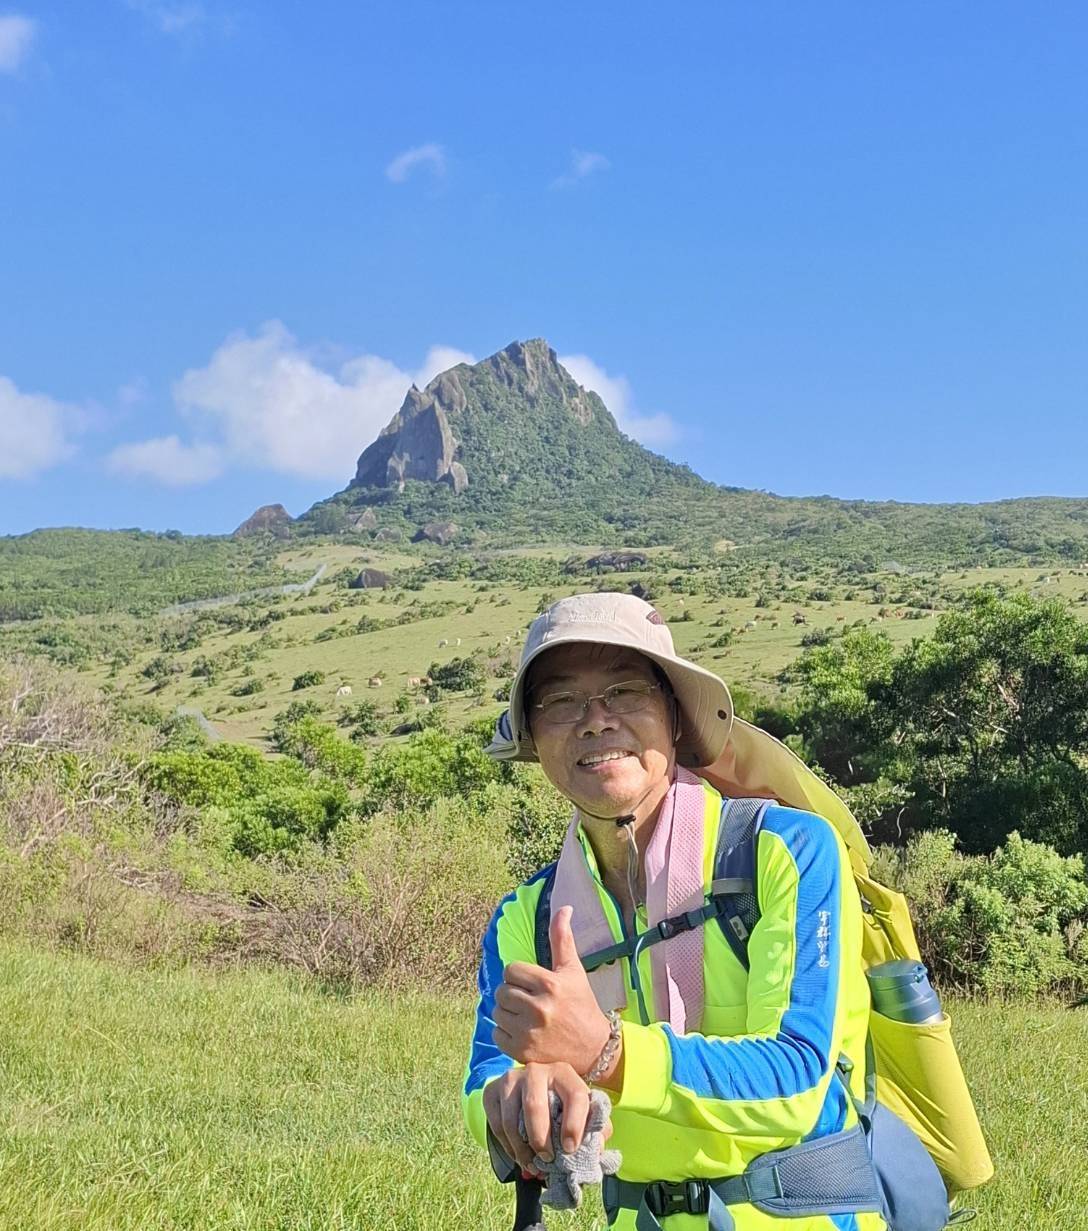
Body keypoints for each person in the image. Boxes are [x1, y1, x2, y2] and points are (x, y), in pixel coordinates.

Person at [461, 592, 887, 1231]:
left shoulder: (786, 851)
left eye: (626, 691)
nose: (595, 720)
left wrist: (607, 1055)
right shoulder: (525, 915)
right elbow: (484, 1079)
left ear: (677, 719)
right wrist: (514, 1102)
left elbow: (798, 1079)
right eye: (559, 701)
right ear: (534, 739)